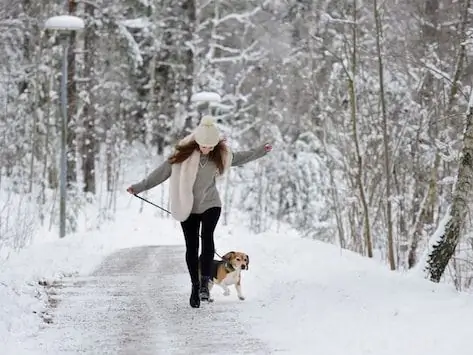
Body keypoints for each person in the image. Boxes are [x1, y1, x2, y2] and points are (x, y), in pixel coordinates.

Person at [126, 116, 272, 308]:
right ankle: (195, 286)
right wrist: (138, 187)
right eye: (204, 146)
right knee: (192, 246)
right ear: (197, 142)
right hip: (188, 207)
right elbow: (159, 173)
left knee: (207, 236)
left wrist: (262, 150)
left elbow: (242, 156)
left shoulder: (221, 154)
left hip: (211, 204)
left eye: (211, 146)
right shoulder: (181, 157)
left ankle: (205, 283)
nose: (208, 149)